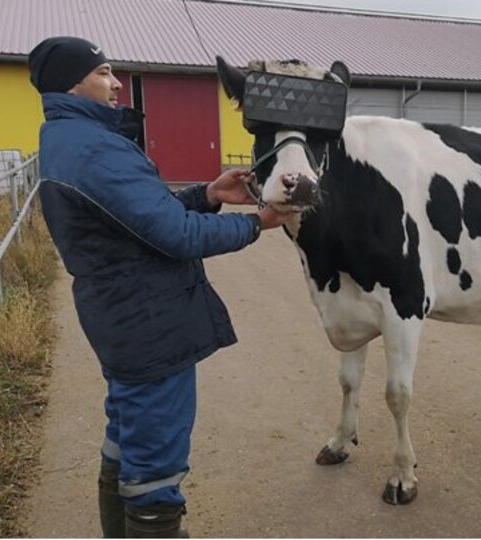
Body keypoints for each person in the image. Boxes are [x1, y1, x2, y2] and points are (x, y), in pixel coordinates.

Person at [27, 36, 293, 537]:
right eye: (103, 72)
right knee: (155, 465)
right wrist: (256, 223)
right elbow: (176, 235)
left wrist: (208, 193)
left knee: (127, 437)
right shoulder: (94, 149)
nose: (116, 83)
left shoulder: (73, 139)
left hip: (122, 315)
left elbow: (140, 218)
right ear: (71, 83)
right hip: (147, 322)